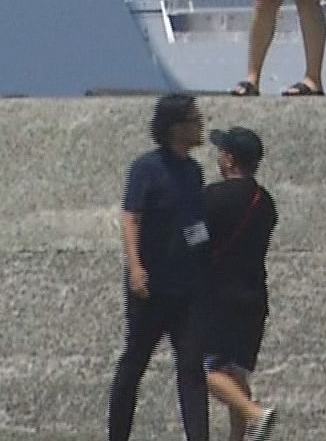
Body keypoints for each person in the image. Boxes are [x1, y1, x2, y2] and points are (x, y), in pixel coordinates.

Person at [108, 94, 212, 441]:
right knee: (135, 362)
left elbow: (195, 224)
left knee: (192, 368)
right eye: (194, 119)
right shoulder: (147, 168)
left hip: (187, 286)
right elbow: (130, 218)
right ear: (176, 127)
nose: (201, 125)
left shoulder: (194, 171)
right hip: (151, 285)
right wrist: (135, 267)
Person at [197, 126, 280, 441]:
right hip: (254, 296)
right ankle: (239, 436)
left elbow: (195, 239)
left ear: (229, 160)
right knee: (236, 373)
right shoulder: (265, 201)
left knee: (204, 368)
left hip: (218, 296)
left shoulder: (211, 197)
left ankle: (253, 414)